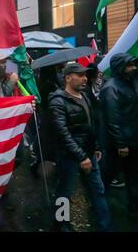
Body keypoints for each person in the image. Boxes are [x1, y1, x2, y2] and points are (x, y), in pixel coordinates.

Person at [49, 63, 111, 232]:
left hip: (89, 154)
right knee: (64, 192)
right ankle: (61, 224)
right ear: (68, 78)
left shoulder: (85, 96)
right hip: (70, 157)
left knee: (98, 191)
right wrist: (81, 157)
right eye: (80, 75)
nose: (85, 78)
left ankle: (104, 226)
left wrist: (95, 146)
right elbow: (63, 134)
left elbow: (90, 125)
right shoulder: (58, 101)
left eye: (85, 75)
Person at [100, 53, 138, 219]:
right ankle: (97, 202)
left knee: (134, 175)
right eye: (129, 65)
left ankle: (134, 206)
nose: (134, 68)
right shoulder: (111, 88)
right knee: (108, 174)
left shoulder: (132, 82)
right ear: (119, 68)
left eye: (134, 64)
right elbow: (112, 119)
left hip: (134, 140)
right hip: (118, 144)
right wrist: (121, 144)